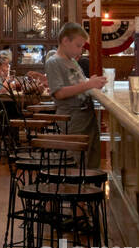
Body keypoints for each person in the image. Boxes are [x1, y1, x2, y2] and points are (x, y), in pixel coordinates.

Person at [46, 23, 107, 168]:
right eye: (78, 46)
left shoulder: (72, 61)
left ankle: (89, 188)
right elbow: (59, 93)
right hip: (72, 117)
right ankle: (76, 189)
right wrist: (87, 84)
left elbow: (79, 82)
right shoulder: (54, 62)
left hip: (87, 114)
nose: (80, 50)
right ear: (65, 41)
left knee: (92, 157)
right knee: (76, 161)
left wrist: (91, 81)